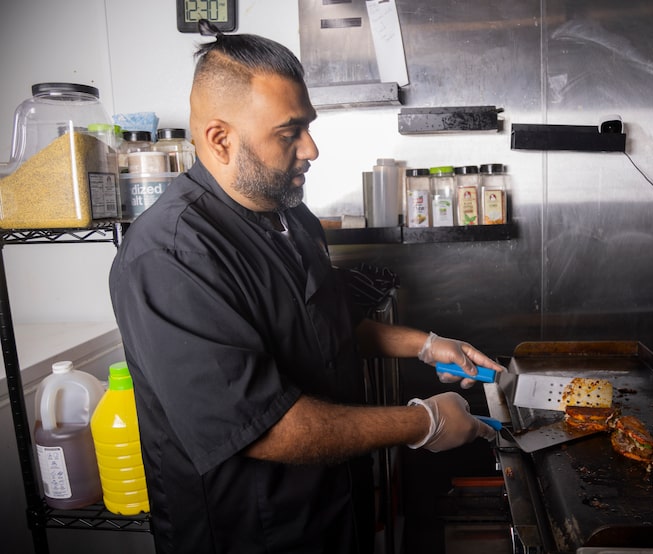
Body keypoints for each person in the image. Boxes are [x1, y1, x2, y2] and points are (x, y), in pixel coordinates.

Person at [108, 23, 503, 554]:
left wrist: (425, 345)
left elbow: (327, 322)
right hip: (251, 532)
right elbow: (262, 428)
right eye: (289, 132)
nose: (311, 148)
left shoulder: (290, 216)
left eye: (308, 127)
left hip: (335, 511)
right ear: (220, 139)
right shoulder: (171, 255)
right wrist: (423, 421)